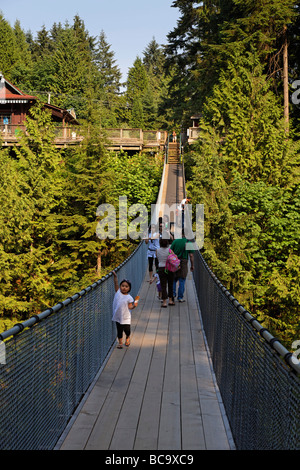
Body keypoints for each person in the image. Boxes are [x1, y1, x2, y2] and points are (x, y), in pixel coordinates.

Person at [112, 271, 138, 349]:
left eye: (126, 286)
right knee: (119, 330)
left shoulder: (129, 298)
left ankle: (127, 337)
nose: (124, 287)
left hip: (126, 317)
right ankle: (120, 343)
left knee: (127, 330)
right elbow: (116, 283)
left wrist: (134, 306)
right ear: (120, 287)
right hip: (118, 315)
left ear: (129, 288)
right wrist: (115, 277)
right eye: (122, 286)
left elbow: (130, 307)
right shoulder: (118, 292)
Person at [171, 231, 194, 302]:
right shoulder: (189, 243)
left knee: (174, 279)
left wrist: (173, 258)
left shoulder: (175, 241)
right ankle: (180, 297)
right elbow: (191, 255)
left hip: (175, 262)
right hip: (184, 262)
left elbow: (170, 251)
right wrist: (192, 265)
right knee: (182, 279)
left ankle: (173, 294)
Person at [156, 234, 175, 307]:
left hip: (161, 268)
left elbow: (158, 259)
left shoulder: (157, 250)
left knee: (163, 285)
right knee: (170, 284)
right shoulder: (170, 250)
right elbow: (173, 258)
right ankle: (170, 300)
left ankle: (164, 302)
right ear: (167, 242)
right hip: (169, 269)